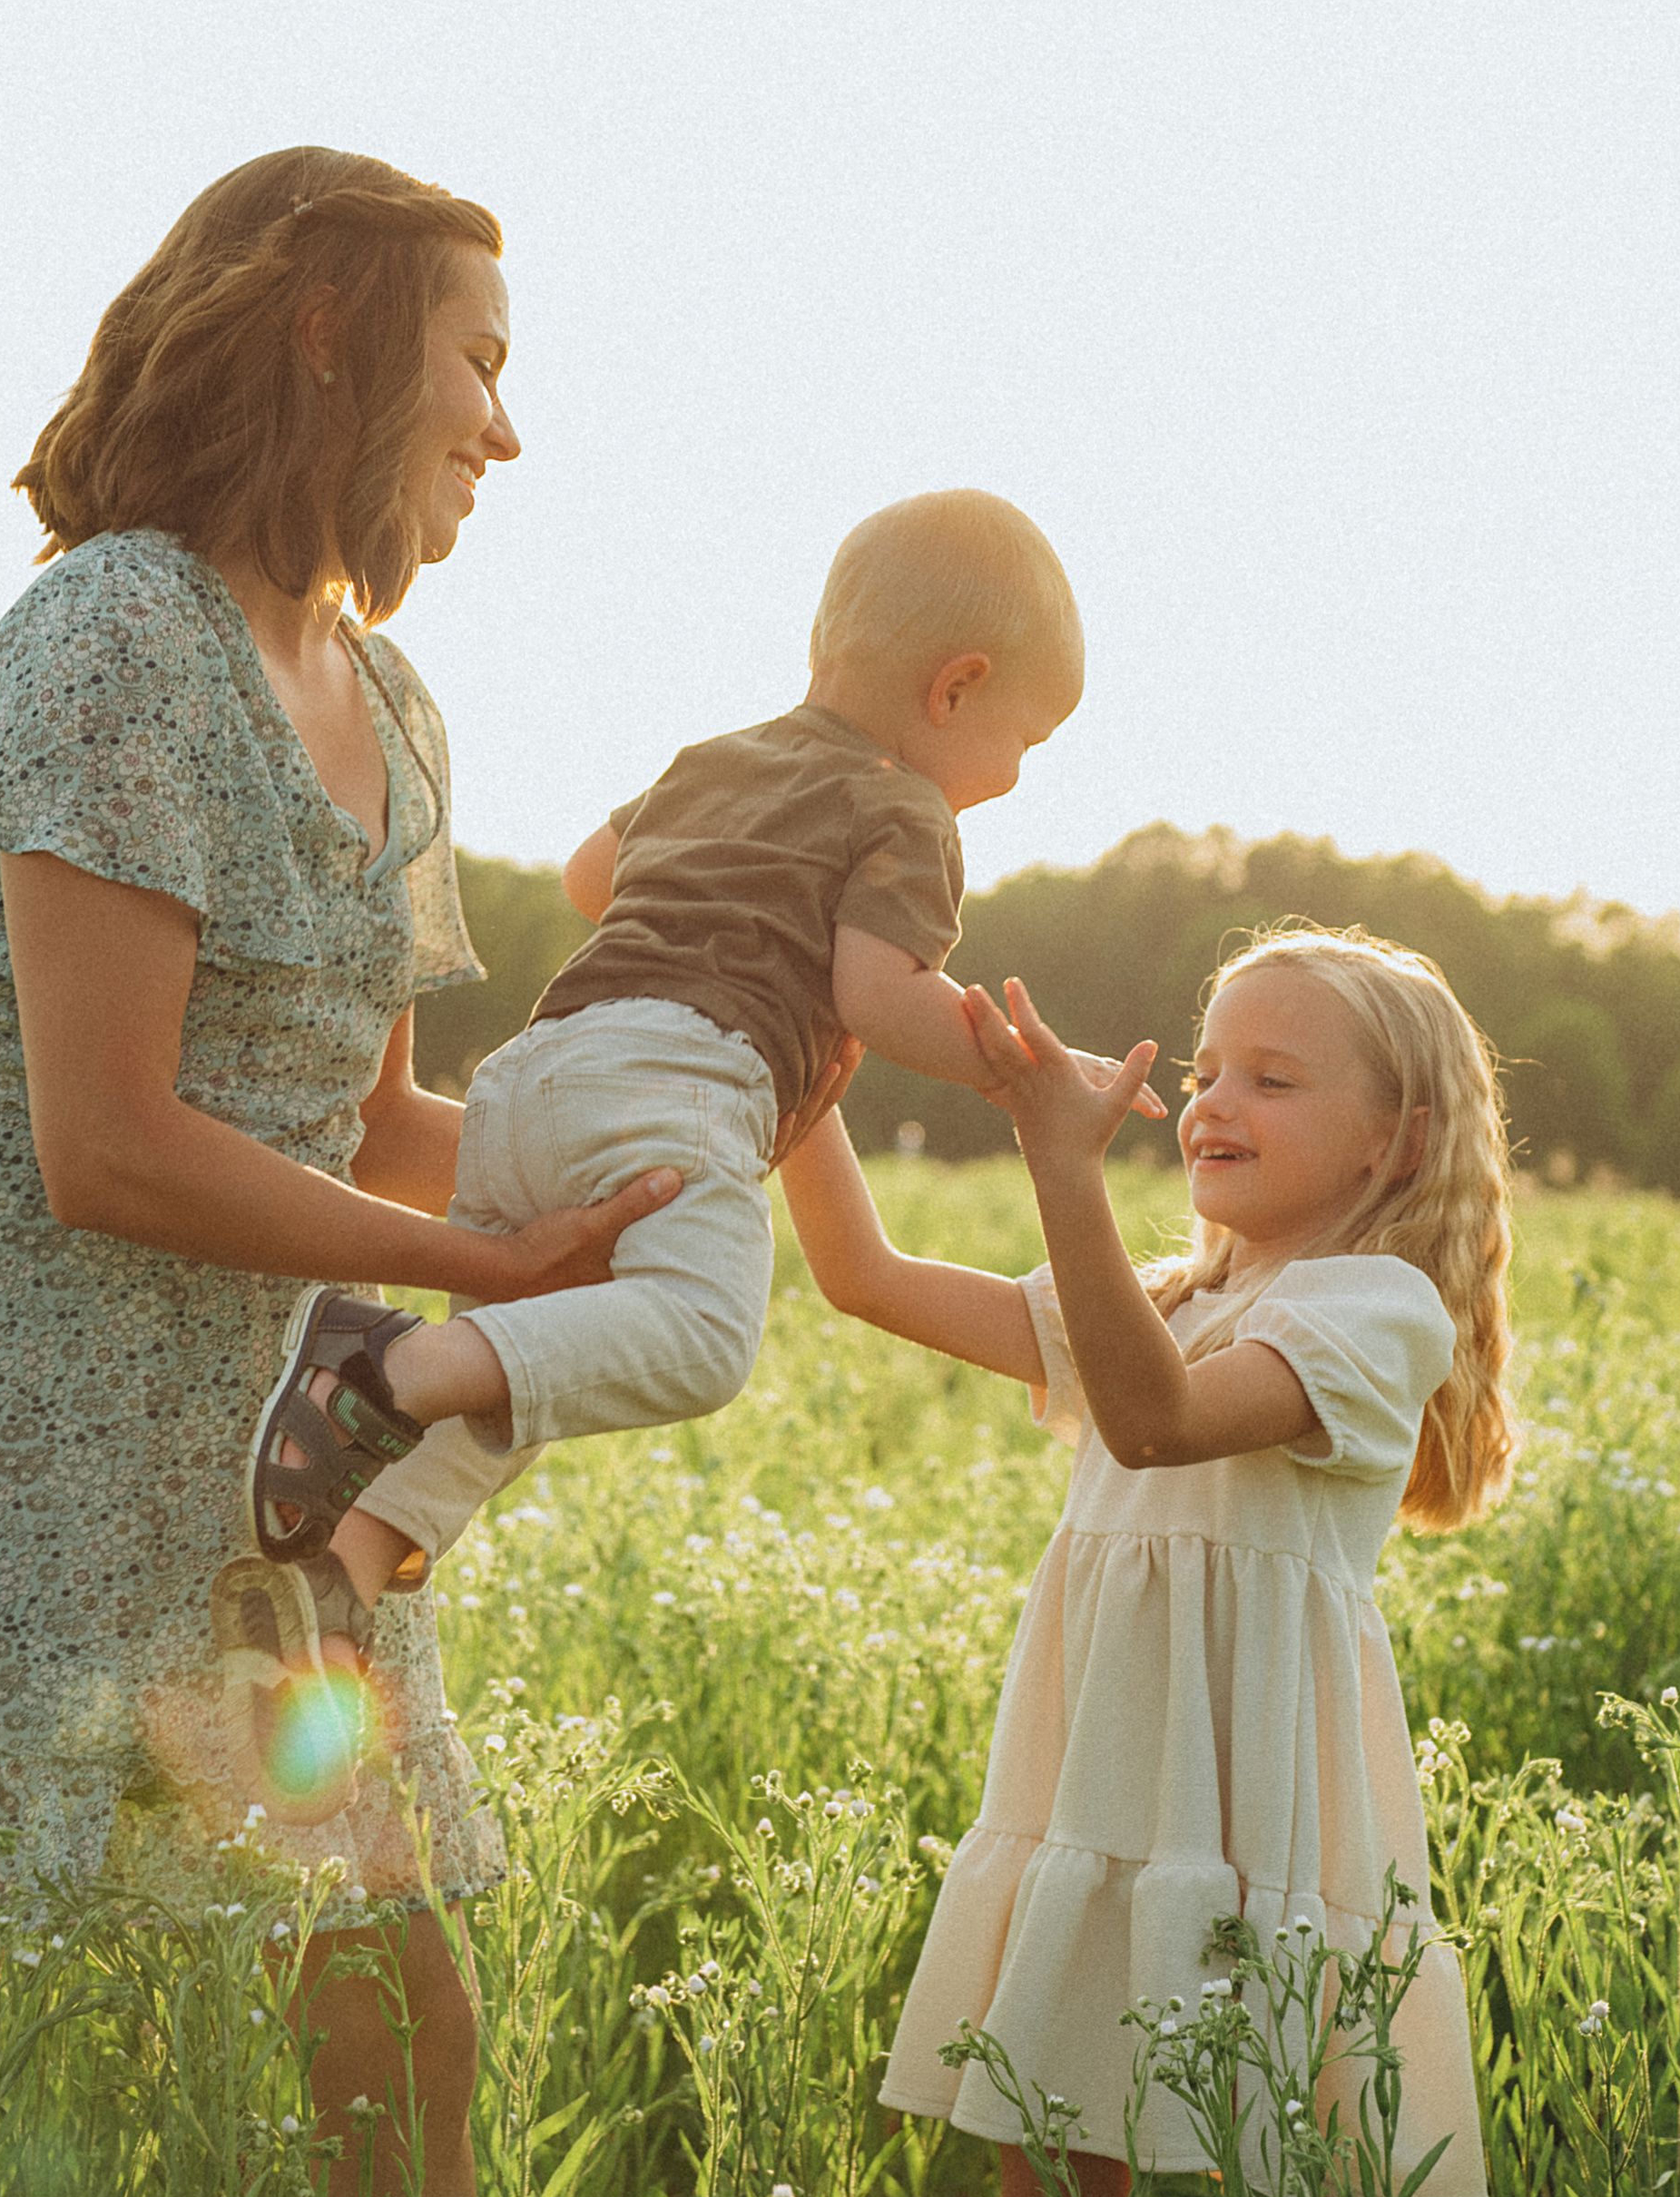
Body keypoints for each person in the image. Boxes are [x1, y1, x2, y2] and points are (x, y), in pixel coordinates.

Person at [0, 145, 675, 2197]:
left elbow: (368, 1116)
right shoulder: (112, 638)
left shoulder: (392, 706)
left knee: (394, 2022)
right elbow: (111, 1139)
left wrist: (633, 1171)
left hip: (253, 1471)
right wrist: (490, 1281)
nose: (505, 433)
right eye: (480, 363)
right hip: (4, 1436)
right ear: (331, 334)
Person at [777, 927, 1515, 2197]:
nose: (1209, 1097)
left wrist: (1053, 1161)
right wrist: (788, 1066)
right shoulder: (1165, 1286)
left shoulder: (1366, 1314)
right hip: (1112, 1807)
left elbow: (1159, 1419)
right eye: (1206, 1062)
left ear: (1393, 1138)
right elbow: (865, 1276)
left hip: (1261, 1825)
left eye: (1273, 1074)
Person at [227, 491, 1160, 1784]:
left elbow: (588, 881)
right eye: (1028, 740)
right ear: (957, 687)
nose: (1016, 776)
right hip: (676, 1078)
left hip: (537, 1076)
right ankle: (383, 1369)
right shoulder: (907, 812)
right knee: (702, 1335)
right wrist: (1033, 1081)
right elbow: (877, 996)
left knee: (541, 1366)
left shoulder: (718, 758)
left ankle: (337, 1579)